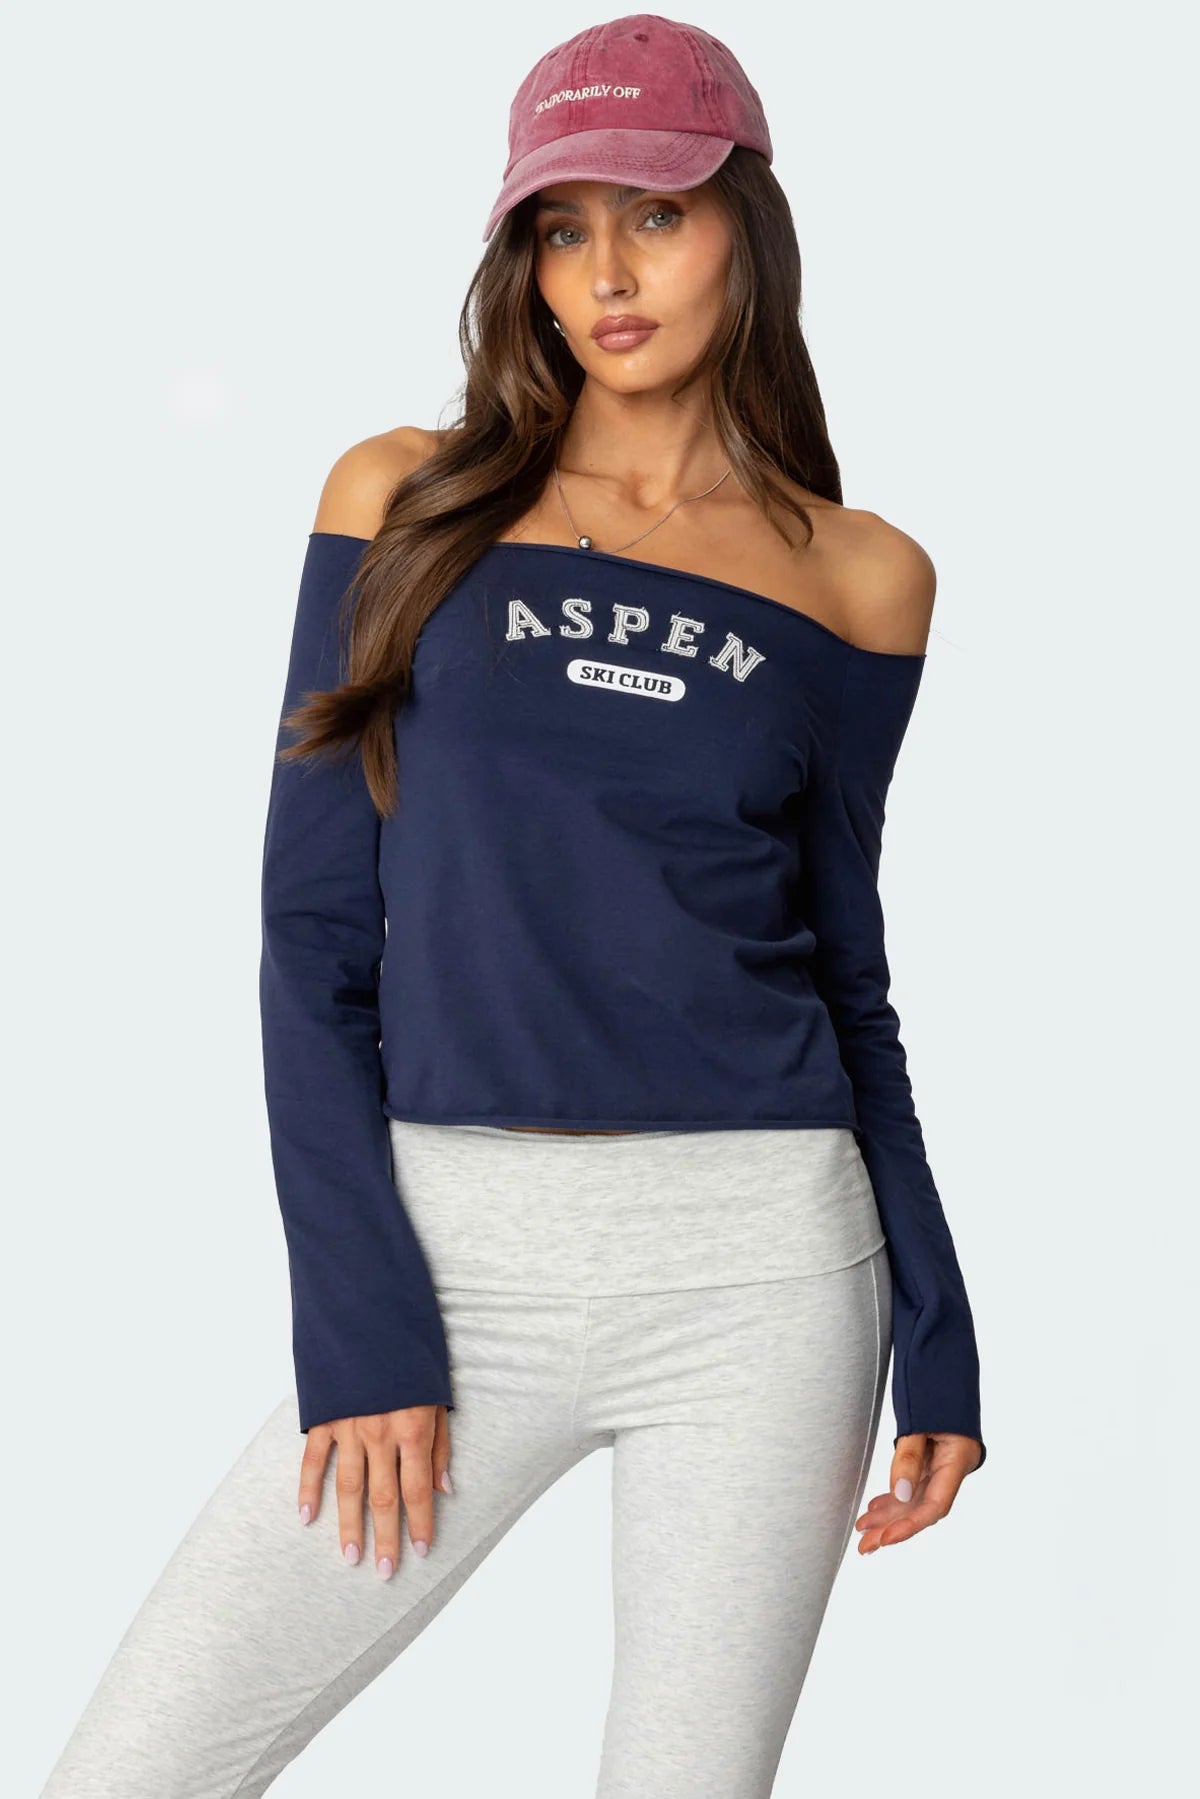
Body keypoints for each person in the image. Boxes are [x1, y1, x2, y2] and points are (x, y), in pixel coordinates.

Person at [39, 14, 985, 1797]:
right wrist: (360, 1323)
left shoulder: (862, 578)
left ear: (747, 227)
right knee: (133, 1769)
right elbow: (314, 932)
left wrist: (938, 1333)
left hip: (767, 1273)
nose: (606, 274)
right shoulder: (405, 498)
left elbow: (847, 972)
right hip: (454, 1253)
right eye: (562, 228)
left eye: (657, 215)